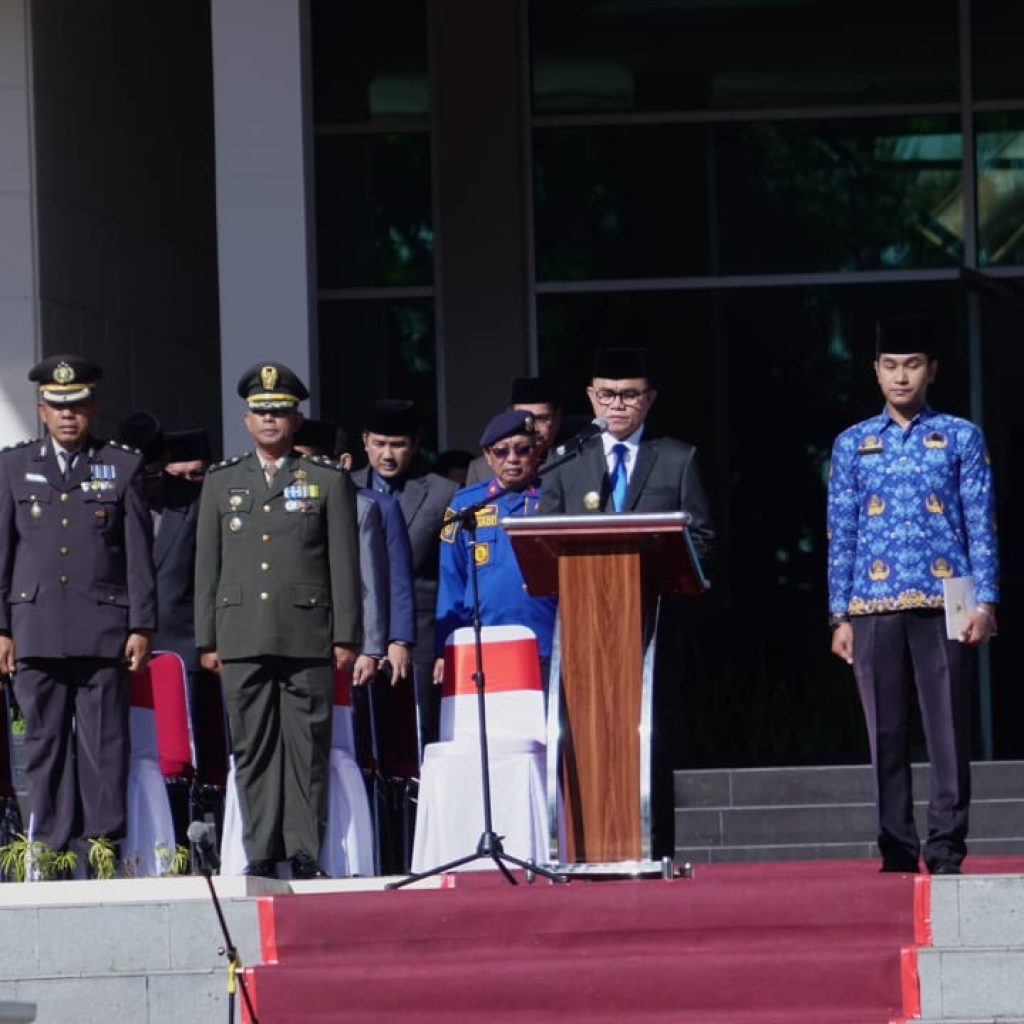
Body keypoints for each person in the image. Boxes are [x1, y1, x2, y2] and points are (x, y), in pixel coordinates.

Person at [827, 316, 998, 875]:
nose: (902, 376)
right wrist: (839, 615)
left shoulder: (960, 436)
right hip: (871, 602)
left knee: (947, 726)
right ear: (876, 372)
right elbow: (841, 532)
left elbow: (980, 522)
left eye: (913, 364)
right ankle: (896, 847)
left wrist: (986, 601)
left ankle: (946, 844)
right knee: (887, 729)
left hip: (946, 595)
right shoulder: (853, 443)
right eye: (892, 365)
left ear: (932, 371)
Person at [539, 347, 715, 861]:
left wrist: (666, 572)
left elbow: (700, 540)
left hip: (652, 624)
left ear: (650, 399)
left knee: (647, 737)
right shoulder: (567, 461)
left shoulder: (678, 458)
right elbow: (545, 542)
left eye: (630, 395)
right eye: (608, 395)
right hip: (584, 626)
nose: (618, 405)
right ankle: (583, 847)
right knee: (583, 734)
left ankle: (652, 845)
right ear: (592, 398)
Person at [194, 363, 361, 878]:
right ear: (247, 420)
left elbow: (344, 565)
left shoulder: (325, 480)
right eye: (261, 412)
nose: (270, 421)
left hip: (306, 632)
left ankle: (305, 850)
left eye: (280, 412)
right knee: (252, 745)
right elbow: (207, 566)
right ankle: (262, 849)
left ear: (296, 419)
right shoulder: (222, 481)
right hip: (241, 632)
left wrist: (346, 634)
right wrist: (208, 637)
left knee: (307, 746)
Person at [0, 356, 156, 868]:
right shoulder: (13, 466)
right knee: (44, 743)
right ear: (41, 411)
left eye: (78, 406)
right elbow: (3, 552)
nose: (68, 416)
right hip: (36, 627)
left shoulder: (122, 465)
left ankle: (101, 844)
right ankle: (50, 846)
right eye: (58, 407)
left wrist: (140, 625)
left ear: (94, 408)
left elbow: (136, 555)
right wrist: (1, 628)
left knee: (103, 744)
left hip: (102, 627)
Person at [117, 412, 228, 800]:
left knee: (191, 759)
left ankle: (194, 840)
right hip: (121, 652)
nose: (144, 484)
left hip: (182, 648)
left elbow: (212, 576)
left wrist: (209, 640)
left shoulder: (192, 503)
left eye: (150, 475)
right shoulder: (108, 503)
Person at [352, 400, 457, 750]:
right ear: (365, 441)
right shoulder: (343, 487)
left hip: (421, 629)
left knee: (419, 730)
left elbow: (449, 570)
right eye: (379, 443)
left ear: (414, 444)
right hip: (358, 628)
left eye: (397, 444)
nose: (387, 454)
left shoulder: (441, 492)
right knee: (361, 733)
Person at [434, 410, 557, 683]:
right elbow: (451, 578)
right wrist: (445, 646)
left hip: (544, 640)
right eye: (501, 452)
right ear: (487, 455)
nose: (512, 459)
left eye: (522, 450)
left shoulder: (553, 498)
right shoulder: (465, 504)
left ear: (536, 451)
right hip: (482, 642)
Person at [465, 376, 563, 486]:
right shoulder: (481, 469)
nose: (532, 428)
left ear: (557, 418)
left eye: (541, 418)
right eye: (522, 419)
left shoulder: (571, 461)